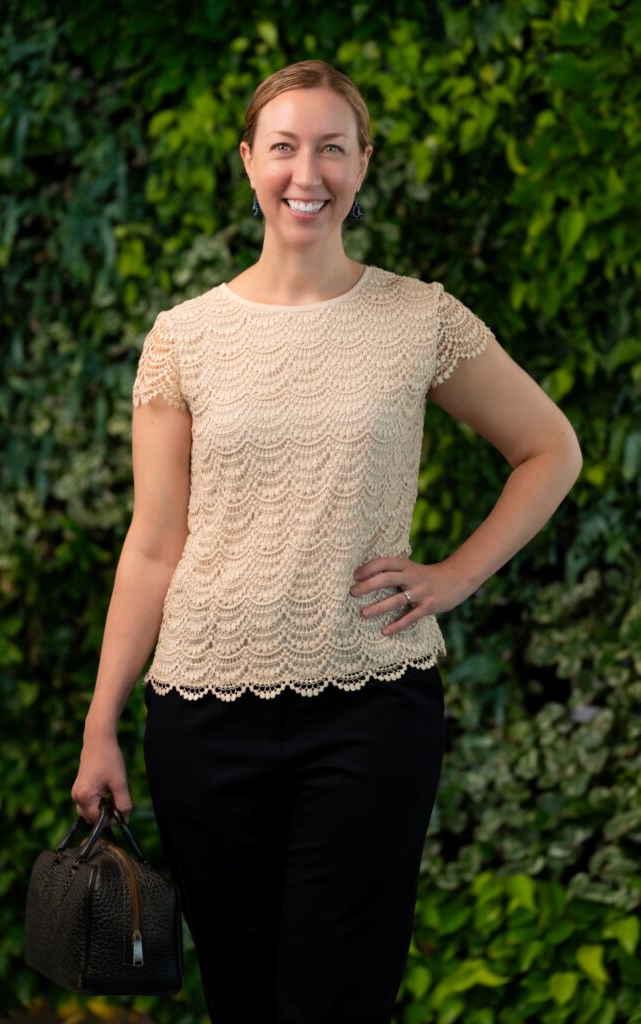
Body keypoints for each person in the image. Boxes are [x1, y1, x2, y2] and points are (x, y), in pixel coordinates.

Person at [71, 59, 582, 1024]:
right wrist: (103, 726)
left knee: (336, 998)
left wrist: (457, 574)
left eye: (332, 148)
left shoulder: (417, 318)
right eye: (284, 146)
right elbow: (152, 542)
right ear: (249, 163)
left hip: (371, 706)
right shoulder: (183, 338)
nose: (307, 170)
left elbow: (549, 448)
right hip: (201, 708)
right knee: (240, 996)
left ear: (362, 165)